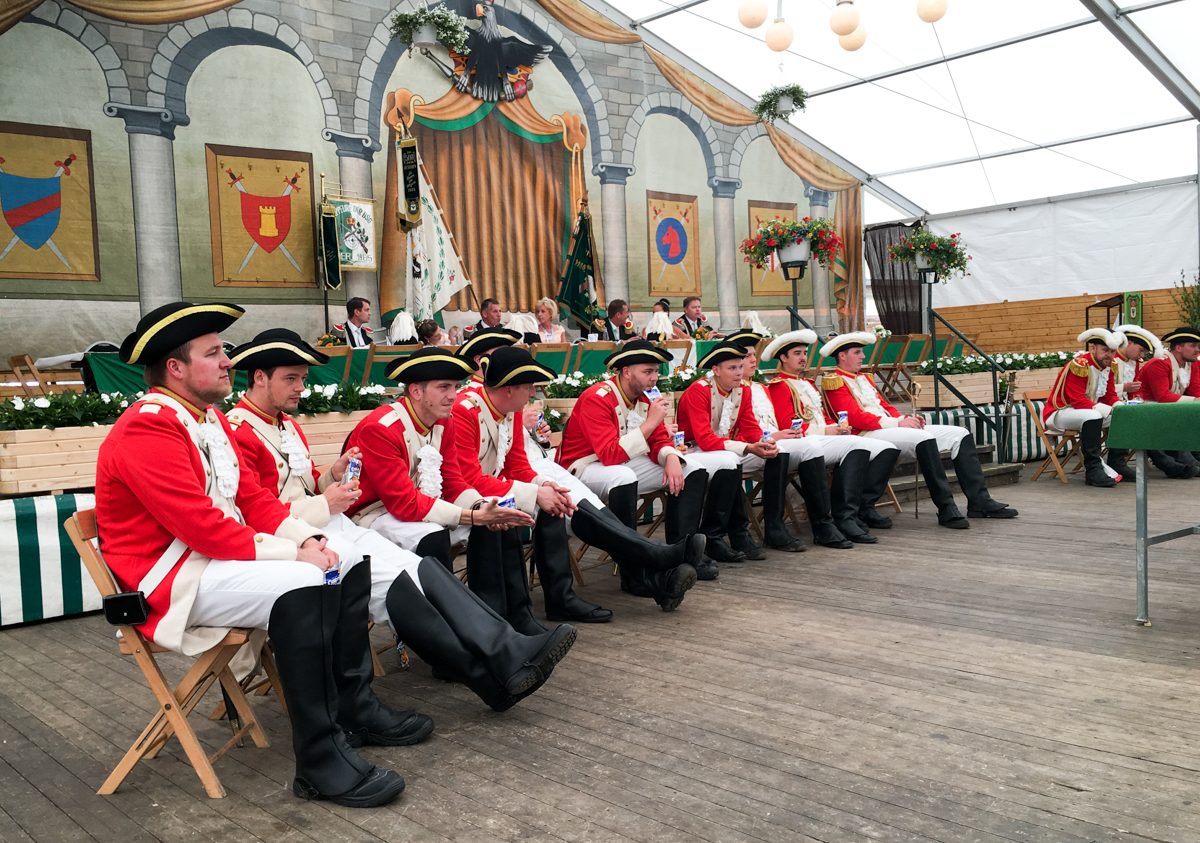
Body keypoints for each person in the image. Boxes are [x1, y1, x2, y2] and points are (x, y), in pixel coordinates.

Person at [96, 302, 415, 808]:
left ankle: (354, 713)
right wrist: (293, 554)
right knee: (304, 586)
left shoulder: (206, 419)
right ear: (175, 368)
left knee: (344, 561)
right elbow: (201, 527)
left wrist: (306, 542)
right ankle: (319, 761)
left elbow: (253, 502)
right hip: (170, 581)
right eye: (214, 353)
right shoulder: (148, 426)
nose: (228, 361)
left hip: (210, 563)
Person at [227, 329, 573, 712]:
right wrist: (326, 500)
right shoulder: (239, 431)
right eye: (291, 378)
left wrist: (329, 476)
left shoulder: (282, 423)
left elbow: (300, 484)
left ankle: (503, 650)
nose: (300, 388)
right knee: (401, 579)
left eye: (302, 379)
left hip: (329, 522)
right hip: (300, 537)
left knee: (419, 569)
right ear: (259, 377)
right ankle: (493, 667)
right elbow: (257, 512)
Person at [456, 346, 706, 616]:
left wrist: (541, 486)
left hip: (524, 479)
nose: (533, 394)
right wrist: (536, 491)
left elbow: (517, 464)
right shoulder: (468, 409)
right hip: (572, 470)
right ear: (508, 388)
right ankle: (656, 559)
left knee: (558, 498)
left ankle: (567, 597)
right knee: (572, 495)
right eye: (529, 387)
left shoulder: (509, 408)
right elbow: (471, 478)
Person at [557, 338, 725, 585]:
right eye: (647, 371)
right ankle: (632, 570)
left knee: (693, 469)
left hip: (622, 461)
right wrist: (651, 422)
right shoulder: (597, 397)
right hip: (584, 467)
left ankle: (682, 551)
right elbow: (609, 453)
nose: (654, 377)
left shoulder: (645, 397)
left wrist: (670, 457)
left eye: (656, 371)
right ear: (626, 372)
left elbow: (657, 440)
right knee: (624, 476)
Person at [820, 331, 1017, 529]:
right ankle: (946, 507)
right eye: (857, 352)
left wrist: (905, 418)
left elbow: (884, 406)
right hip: (866, 433)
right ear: (842, 356)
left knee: (960, 434)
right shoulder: (835, 381)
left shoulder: (864, 378)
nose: (863, 356)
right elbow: (855, 418)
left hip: (889, 427)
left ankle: (979, 501)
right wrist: (897, 423)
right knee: (922, 438)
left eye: (861, 352)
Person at [676, 341, 810, 564]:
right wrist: (748, 448)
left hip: (726, 448)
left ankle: (774, 528)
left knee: (778, 452)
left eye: (740, 367)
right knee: (729, 461)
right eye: (732, 368)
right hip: (693, 449)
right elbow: (705, 439)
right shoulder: (698, 391)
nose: (739, 373)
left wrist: (764, 443)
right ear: (716, 370)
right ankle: (723, 534)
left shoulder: (743, 391)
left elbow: (749, 427)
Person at [727, 329, 861, 549]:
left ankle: (824, 524)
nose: (752, 360)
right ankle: (775, 527)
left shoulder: (760, 387)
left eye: (753, 355)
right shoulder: (734, 389)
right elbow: (734, 431)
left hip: (771, 444)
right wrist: (773, 436)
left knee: (810, 447)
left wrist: (780, 434)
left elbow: (773, 422)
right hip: (748, 449)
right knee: (792, 449)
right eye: (746, 357)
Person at [762, 329, 902, 539]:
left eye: (804, 353)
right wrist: (826, 430)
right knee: (857, 444)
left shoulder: (807, 383)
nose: (803, 358)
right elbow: (788, 423)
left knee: (884, 448)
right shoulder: (780, 385)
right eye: (797, 353)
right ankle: (843, 516)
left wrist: (836, 427)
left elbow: (821, 415)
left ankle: (853, 512)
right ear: (783, 358)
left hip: (822, 437)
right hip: (805, 440)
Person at [1041, 329, 1124, 488]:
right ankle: (1093, 470)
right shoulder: (1080, 364)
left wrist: (1119, 407)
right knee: (1093, 416)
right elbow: (1077, 400)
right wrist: (1105, 409)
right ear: (1093, 348)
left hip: (1088, 411)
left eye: (1112, 351)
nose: (1109, 355)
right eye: (1105, 350)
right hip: (1061, 411)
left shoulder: (1110, 365)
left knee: (1122, 416)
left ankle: (1118, 463)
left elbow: (1110, 396)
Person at [1135, 326, 1200, 477]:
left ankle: (1192, 456)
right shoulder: (1159, 363)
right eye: (1193, 346)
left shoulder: (1193, 364)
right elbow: (1162, 396)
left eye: (1198, 346)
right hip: (1145, 407)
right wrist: (1195, 401)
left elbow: (1196, 389)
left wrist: (1196, 400)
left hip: (1170, 408)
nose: (1197, 350)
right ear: (1178, 347)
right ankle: (1172, 463)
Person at [1107, 324, 1161, 479]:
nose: (1141, 355)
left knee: (1151, 413)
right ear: (1129, 343)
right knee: (1131, 418)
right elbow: (1100, 389)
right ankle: (1117, 461)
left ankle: (1164, 458)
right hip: (1109, 404)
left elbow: (1136, 387)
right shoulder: (1112, 359)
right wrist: (1124, 387)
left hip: (1124, 404)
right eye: (1141, 350)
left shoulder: (1134, 362)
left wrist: (1138, 399)